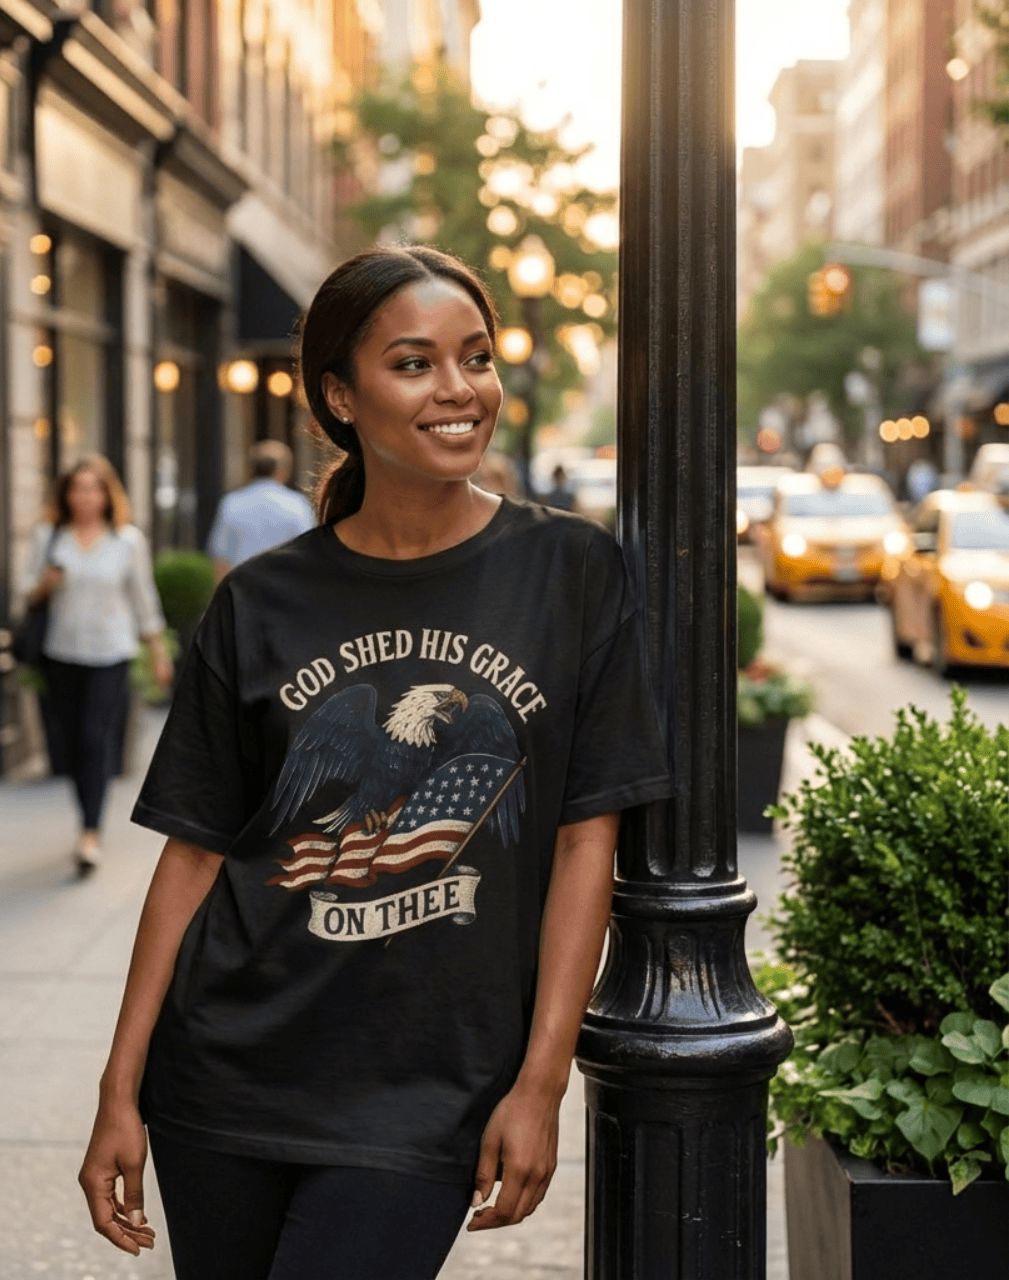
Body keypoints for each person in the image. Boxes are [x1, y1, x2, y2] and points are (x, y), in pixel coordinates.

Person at [77, 247, 671, 1279]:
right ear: (339, 397)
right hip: (226, 1073)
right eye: (413, 363)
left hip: (430, 1081)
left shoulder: (568, 569)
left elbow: (586, 838)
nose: (457, 389)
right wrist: (118, 1090)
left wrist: (540, 1081)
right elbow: (194, 857)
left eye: (474, 357)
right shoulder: (259, 600)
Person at [23, 455, 173, 875]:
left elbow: (143, 600)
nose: (85, 496)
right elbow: (26, 593)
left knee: (94, 738)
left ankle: (90, 831)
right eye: (77, 488)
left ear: (107, 494)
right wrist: (44, 585)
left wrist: (158, 653)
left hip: (111, 653)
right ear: (66, 495)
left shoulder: (127, 541)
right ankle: (86, 813)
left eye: (94, 488)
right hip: (61, 653)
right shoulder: (49, 537)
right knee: (71, 744)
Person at [206, 439, 315, 580]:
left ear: (252, 469)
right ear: (282, 471)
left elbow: (220, 558)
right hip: (284, 592)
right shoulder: (298, 504)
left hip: (242, 591)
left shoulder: (232, 503)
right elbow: (308, 555)